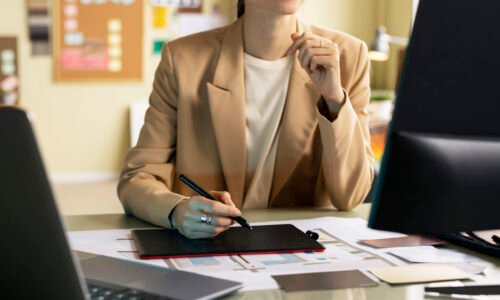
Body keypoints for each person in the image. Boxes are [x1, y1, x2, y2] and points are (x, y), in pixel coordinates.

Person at [118, 0, 375, 239]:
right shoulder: (182, 59)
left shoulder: (348, 56)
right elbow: (137, 179)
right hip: (209, 253)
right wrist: (176, 210)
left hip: (303, 259)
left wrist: (333, 98)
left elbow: (350, 196)